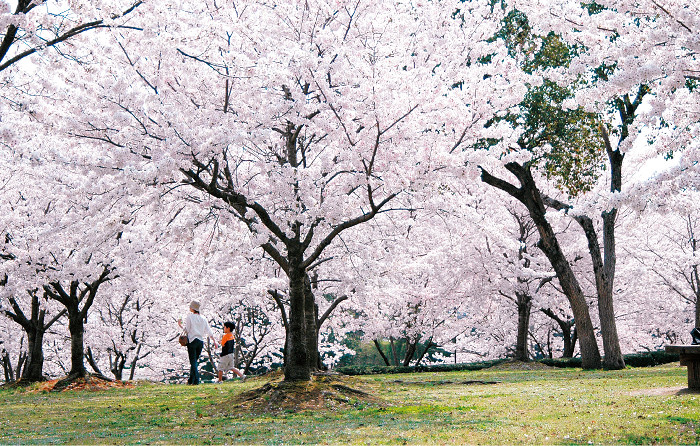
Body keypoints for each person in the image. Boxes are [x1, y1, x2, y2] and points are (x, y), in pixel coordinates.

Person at [178, 300, 217, 385]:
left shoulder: (190, 317)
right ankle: (190, 381)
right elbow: (208, 330)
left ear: (192, 308)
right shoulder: (203, 318)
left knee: (193, 362)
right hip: (200, 341)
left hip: (192, 341)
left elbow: (187, 330)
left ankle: (196, 380)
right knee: (195, 361)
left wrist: (180, 325)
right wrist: (214, 340)